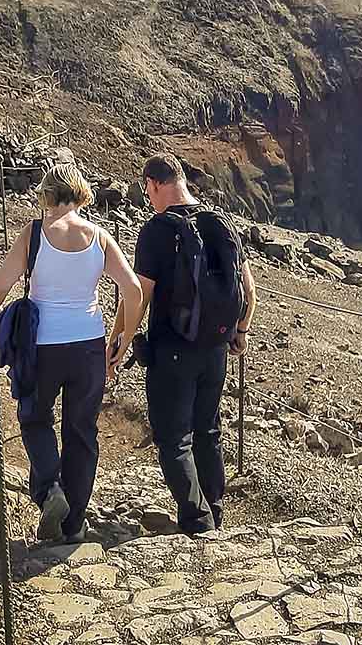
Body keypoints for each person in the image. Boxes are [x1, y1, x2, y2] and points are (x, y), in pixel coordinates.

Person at [0, 162, 142, 543]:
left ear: (47, 194)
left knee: (35, 418)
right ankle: (72, 524)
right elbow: (134, 291)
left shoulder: (35, 234)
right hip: (89, 345)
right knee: (82, 431)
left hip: (42, 345)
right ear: (82, 194)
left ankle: (48, 491)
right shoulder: (101, 237)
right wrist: (122, 339)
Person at [110, 153, 256, 534]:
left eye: (147, 191)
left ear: (156, 184)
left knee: (174, 437)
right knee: (208, 430)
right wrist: (239, 332)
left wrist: (120, 342)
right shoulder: (220, 221)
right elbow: (249, 289)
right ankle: (216, 510)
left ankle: (197, 520)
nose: (149, 199)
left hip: (171, 350)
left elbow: (139, 296)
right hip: (216, 348)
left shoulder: (157, 231)